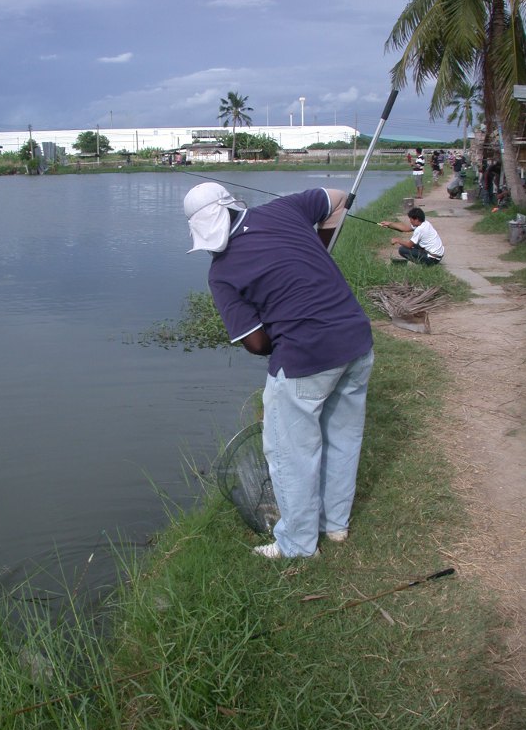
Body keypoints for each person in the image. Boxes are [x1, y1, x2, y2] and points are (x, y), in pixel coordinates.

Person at [184, 182, 374, 559]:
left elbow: (257, 344)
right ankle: (334, 526)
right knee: (342, 437)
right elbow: (338, 198)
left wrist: (278, 327)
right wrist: (318, 246)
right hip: (356, 340)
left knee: (291, 453)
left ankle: (299, 546)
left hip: (305, 358)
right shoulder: (286, 209)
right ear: (232, 205)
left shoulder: (220, 273)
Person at [380, 207, 445, 266]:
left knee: (402, 250)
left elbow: (409, 245)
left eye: (411, 219)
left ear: (416, 219)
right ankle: (424, 259)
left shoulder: (420, 230)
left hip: (432, 259)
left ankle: (425, 264)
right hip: (438, 256)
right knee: (415, 244)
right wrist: (389, 224)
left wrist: (397, 240)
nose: (410, 221)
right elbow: (405, 228)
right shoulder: (425, 223)